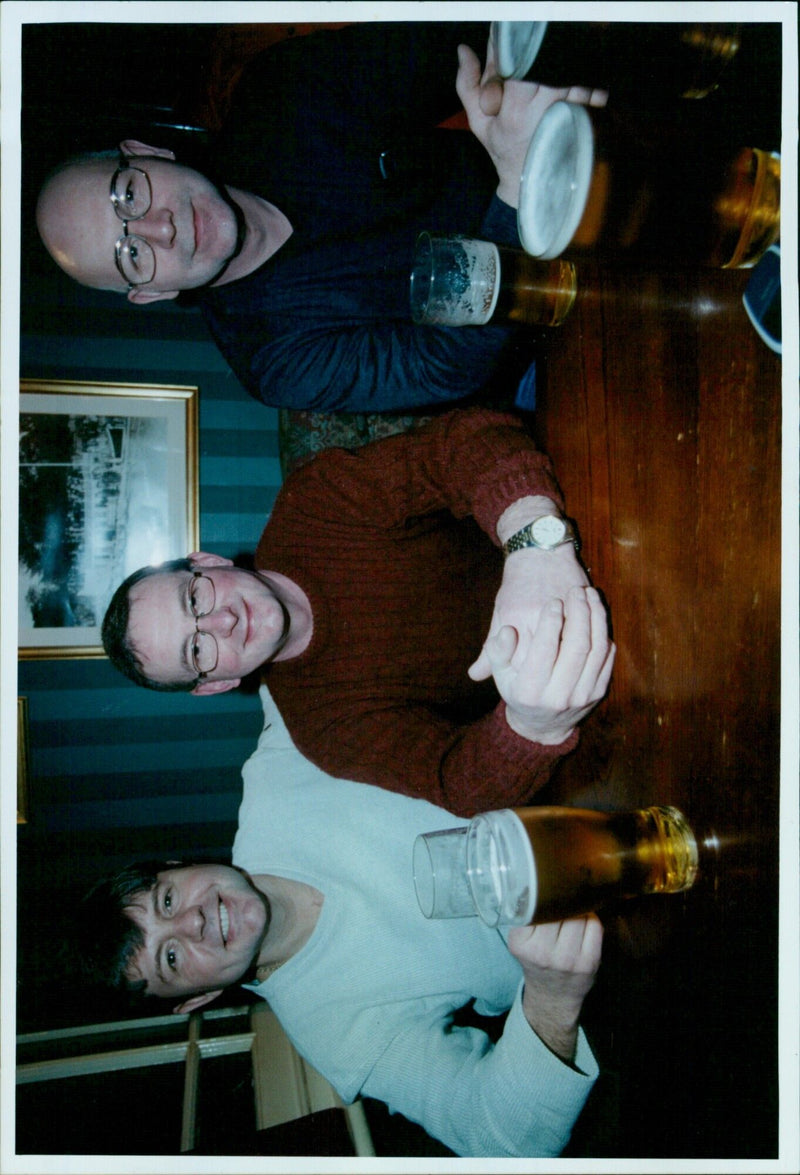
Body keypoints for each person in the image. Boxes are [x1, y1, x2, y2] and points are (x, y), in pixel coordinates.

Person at [78, 685, 603, 1158]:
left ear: (176, 868)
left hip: (584, 755)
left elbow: (302, 654)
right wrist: (553, 998)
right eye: (171, 958)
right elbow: (503, 1139)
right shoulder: (337, 1035)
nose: (192, 922)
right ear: (196, 1000)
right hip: (611, 932)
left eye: (167, 901)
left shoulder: (277, 772)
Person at [35, 22, 606, 414]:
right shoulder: (275, 361)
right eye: (131, 255)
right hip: (546, 341)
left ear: (148, 153)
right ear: (151, 294)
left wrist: (518, 84)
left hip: (577, 176)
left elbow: (444, 45)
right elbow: (448, 366)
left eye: (128, 196)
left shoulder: (279, 96)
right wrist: (513, 189)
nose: (162, 228)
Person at [102, 407, 615, 816]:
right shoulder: (325, 731)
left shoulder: (314, 503)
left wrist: (532, 546)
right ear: (213, 685)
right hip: (596, 679)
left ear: (207, 562)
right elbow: (456, 783)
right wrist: (532, 726)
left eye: (195, 599)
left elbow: (457, 445)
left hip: (593, 525)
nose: (223, 622)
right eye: (197, 649)